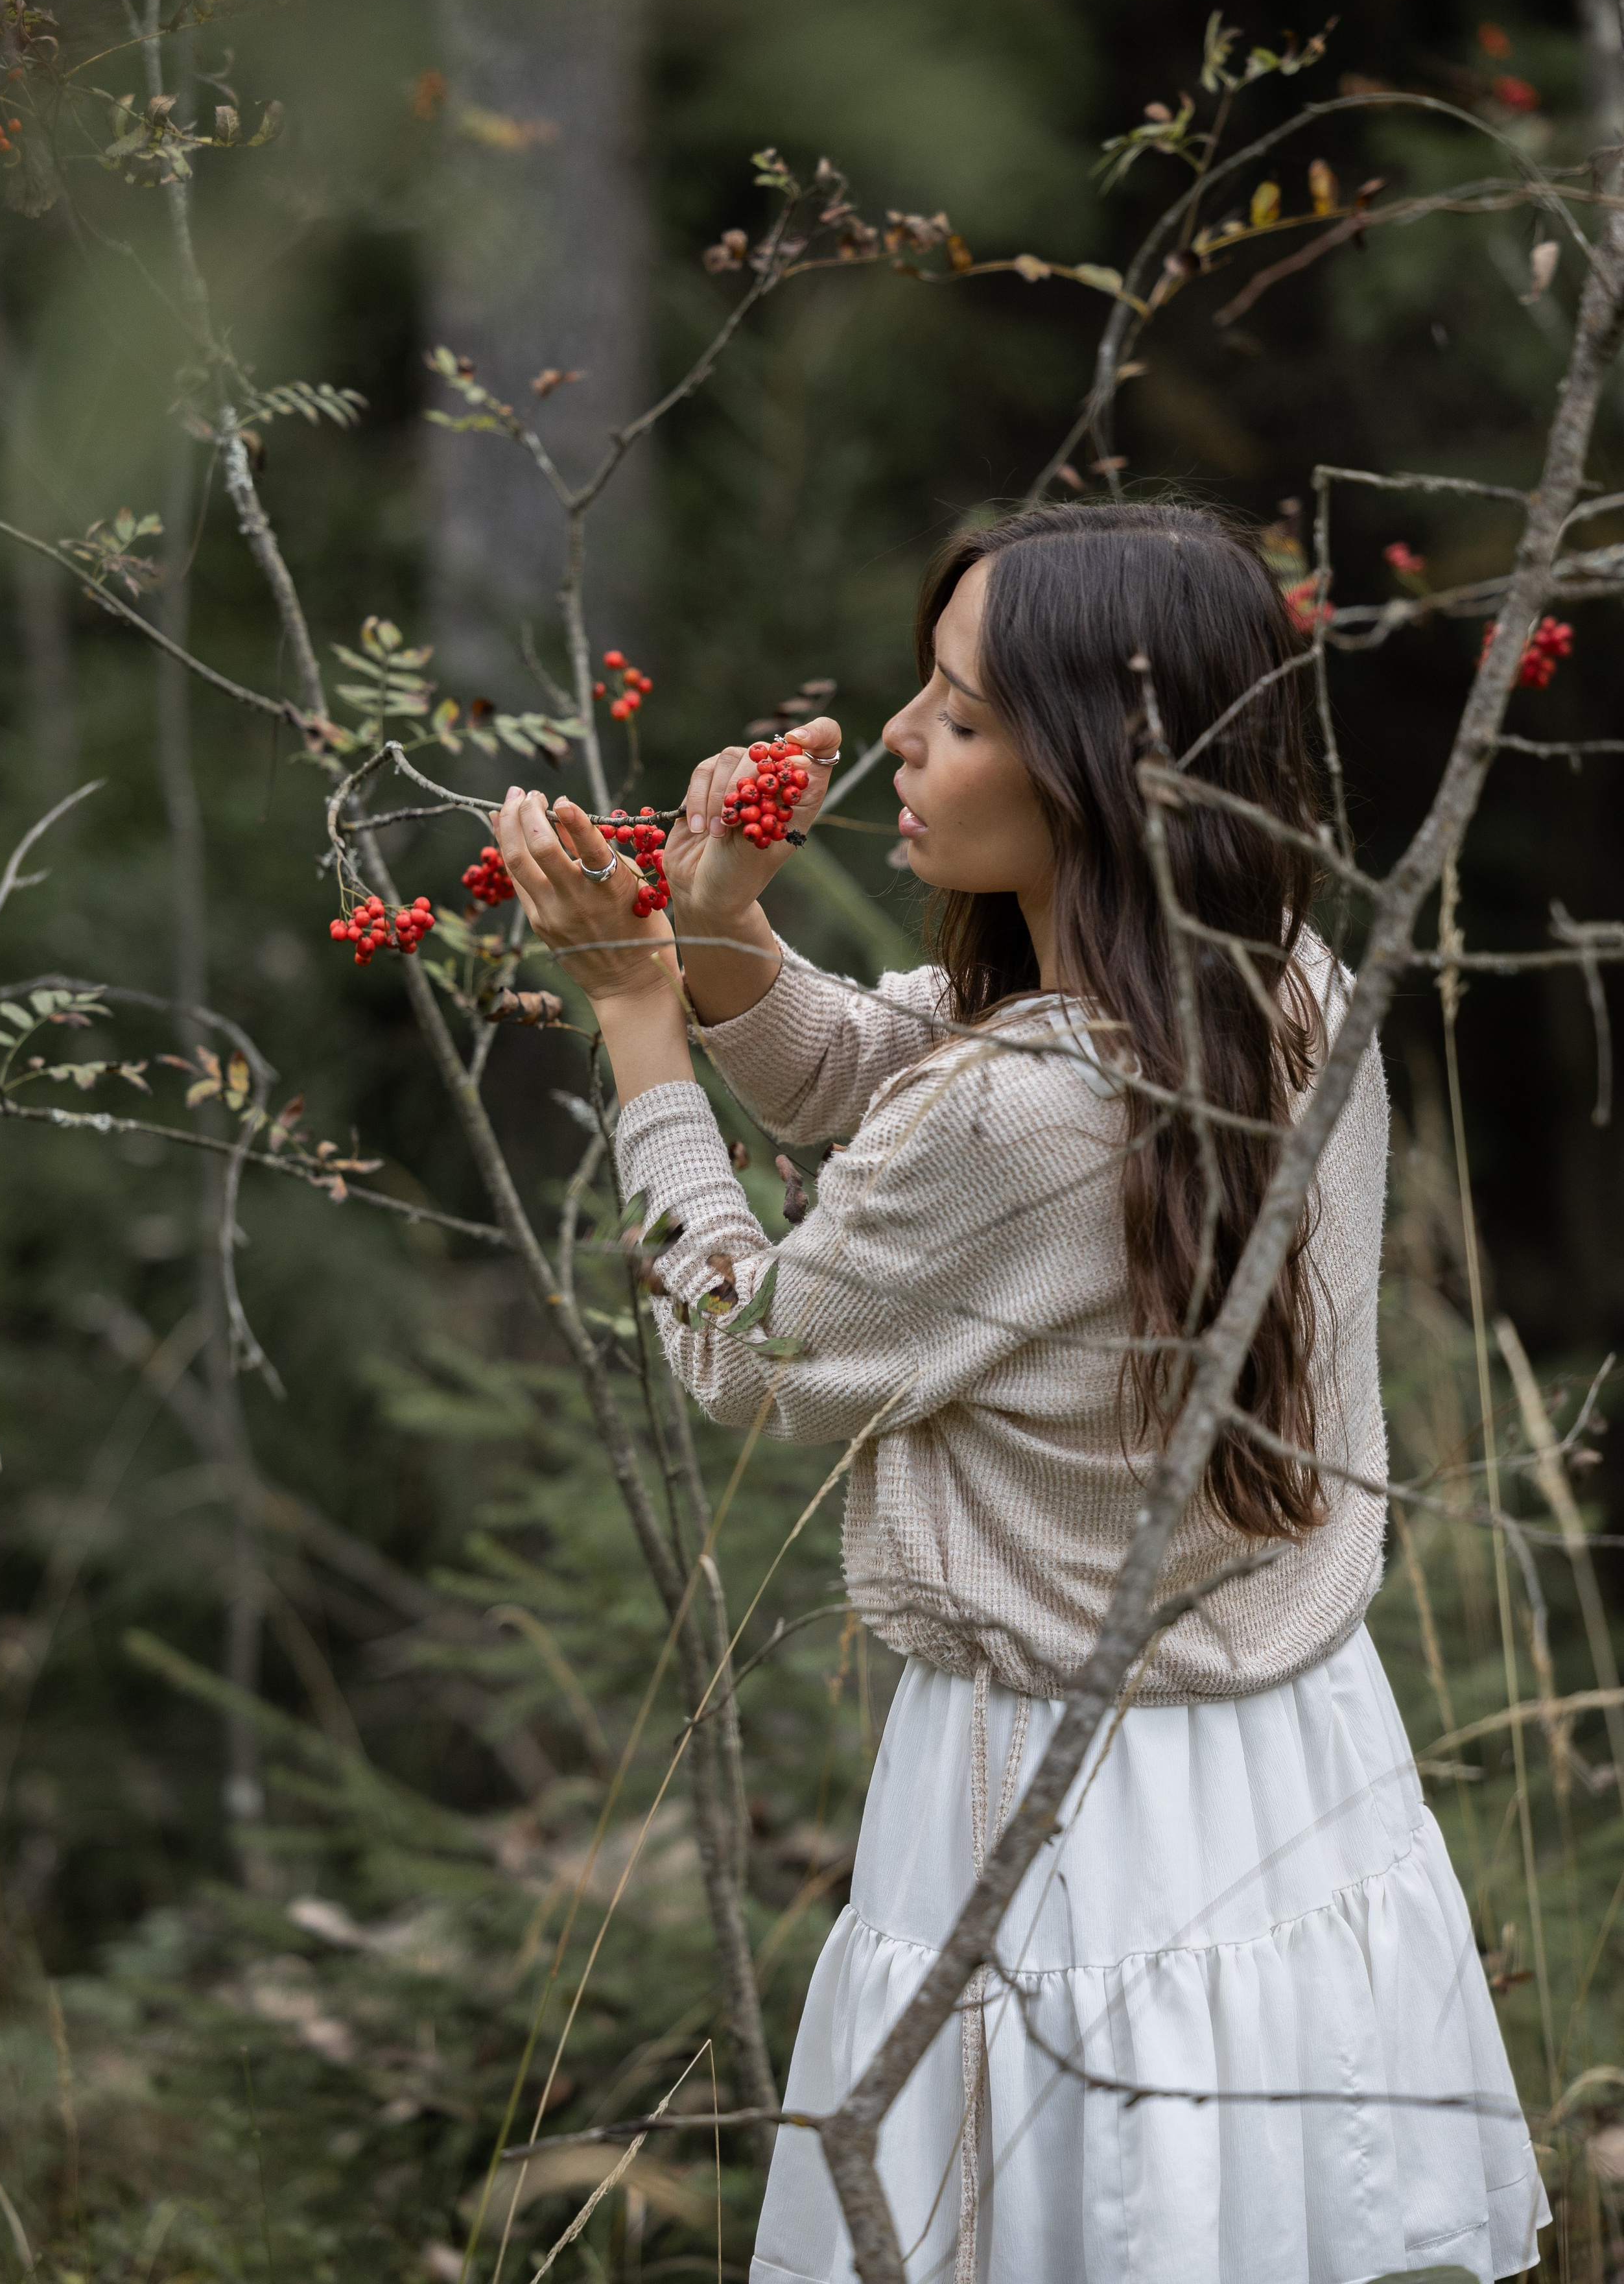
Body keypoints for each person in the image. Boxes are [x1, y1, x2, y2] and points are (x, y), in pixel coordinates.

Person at [493, 503, 1549, 2284]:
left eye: (962, 713)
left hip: (1057, 1791)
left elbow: (754, 1352)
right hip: (1297, 1751)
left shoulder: (1029, 1111)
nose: (900, 736)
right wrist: (723, 922)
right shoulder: (1279, 992)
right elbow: (887, 1079)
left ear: (1096, 772)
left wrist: (640, 1024)